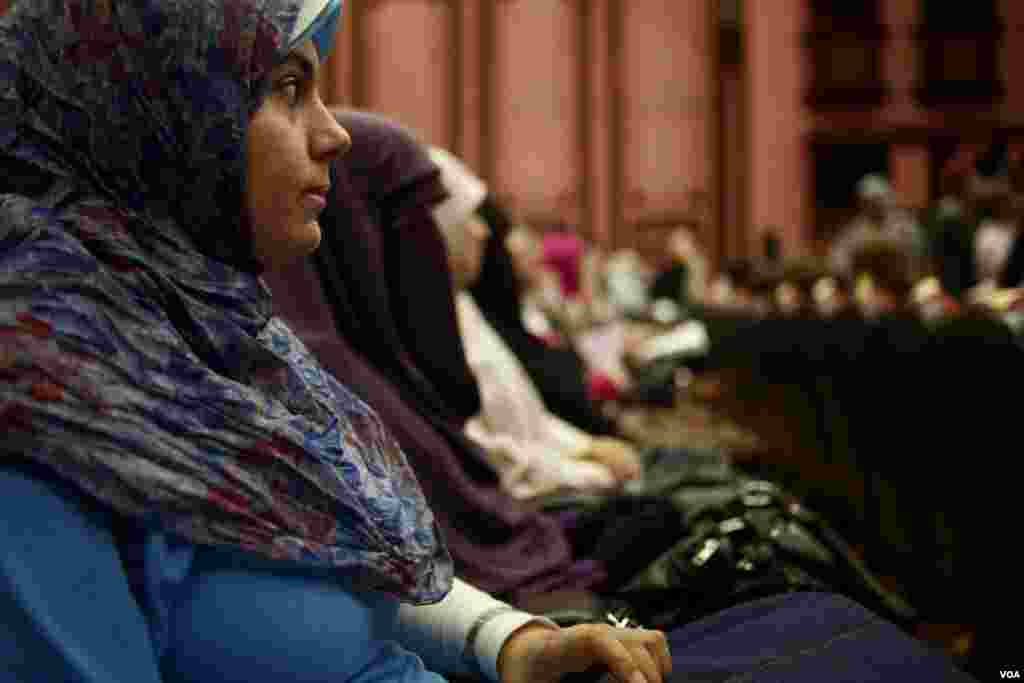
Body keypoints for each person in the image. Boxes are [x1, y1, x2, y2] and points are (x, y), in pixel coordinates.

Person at [0, 2, 672, 682]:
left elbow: (312, 564)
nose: (334, 135)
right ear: (154, 114)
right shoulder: (37, 404)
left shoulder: (205, 331)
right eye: (289, 90)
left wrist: (508, 644)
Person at [428, 146, 640, 502]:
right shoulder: (435, 319)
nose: (483, 234)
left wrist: (587, 447)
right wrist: (593, 470)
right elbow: (483, 454)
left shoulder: (464, 305)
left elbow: (528, 420)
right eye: (469, 218)